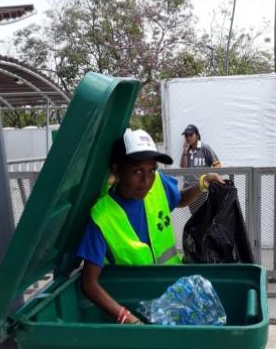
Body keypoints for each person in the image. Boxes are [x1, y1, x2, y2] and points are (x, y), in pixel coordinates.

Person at [77, 129, 226, 324]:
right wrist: (126, 316)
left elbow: (179, 199)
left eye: (151, 170)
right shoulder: (102, 218)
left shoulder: (158, 185)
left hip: (175, 297)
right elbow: (89, 283)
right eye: (137, 172)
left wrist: (202, 183)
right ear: (116, 170)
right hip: (136, 308)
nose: (146, 181)